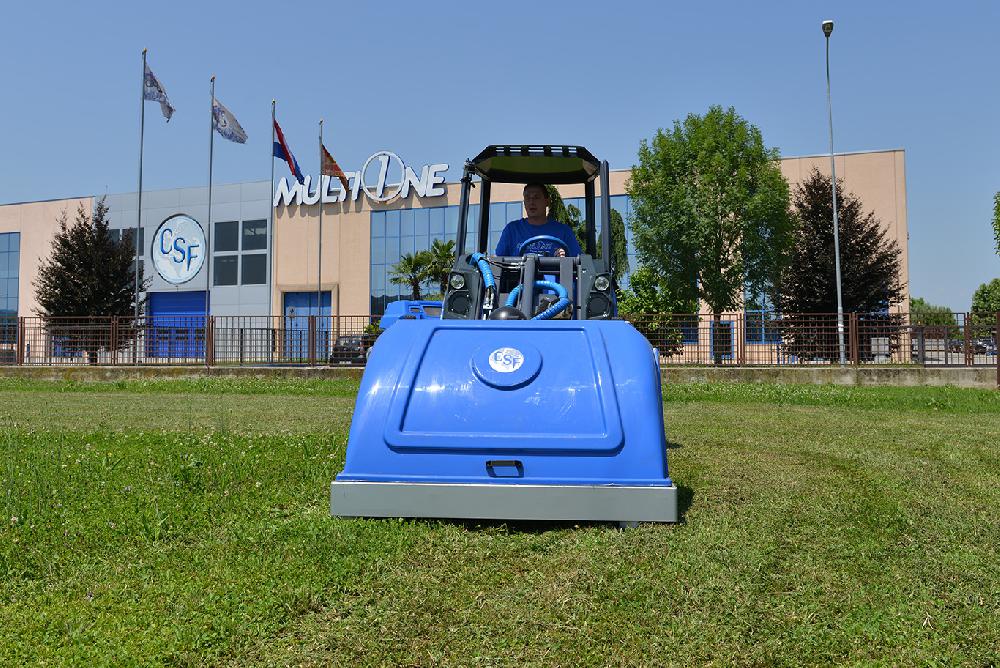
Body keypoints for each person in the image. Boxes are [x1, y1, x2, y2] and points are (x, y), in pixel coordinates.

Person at [495, 184, 581, 257]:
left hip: (554, 276)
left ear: (547, 202)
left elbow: (579, 261)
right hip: (519, 276)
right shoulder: (512, 230)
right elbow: (498, 261)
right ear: (524, 202)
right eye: (528, 198)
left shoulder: (563, 231)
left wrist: (564, 256)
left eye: (536, 197)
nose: (531, 202)